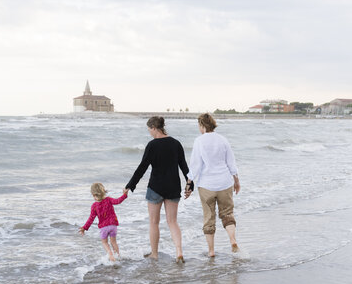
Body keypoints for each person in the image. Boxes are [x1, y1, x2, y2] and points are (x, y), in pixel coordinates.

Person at [125, 116, 191, 263]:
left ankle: (154, 254)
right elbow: (184, 167)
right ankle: (179, 251)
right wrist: (190, 184)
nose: (149, 132)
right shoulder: (176, 143)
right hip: (173, 187)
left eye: (149, 129)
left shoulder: (152, 145)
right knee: (172, 221)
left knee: (154, 222)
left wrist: (130, 184)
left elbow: (142, 167)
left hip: (156, 187)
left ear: (154, 128)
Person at [185, 113, 240, 258]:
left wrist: (189, 182)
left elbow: (195, 164)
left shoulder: (199, 141)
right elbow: (231, 162)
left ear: (201, 125)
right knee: (227, 214)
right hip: (225, 182)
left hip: (206, 185)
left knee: (209, 218)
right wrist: (236, 180)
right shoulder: (223, 140)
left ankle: (211, 251)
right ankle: (232, 240)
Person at [79, 183, 128, 262]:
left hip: (104, 227)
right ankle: (118, 256)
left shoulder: (94, 206)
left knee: (105, 242)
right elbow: (118, 201)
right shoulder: (109, 199)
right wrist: (124, 195)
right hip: (113, 225)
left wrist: (84, 228)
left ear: (94, 194)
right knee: (113, 242)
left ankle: (110, 255)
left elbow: (91, 219)